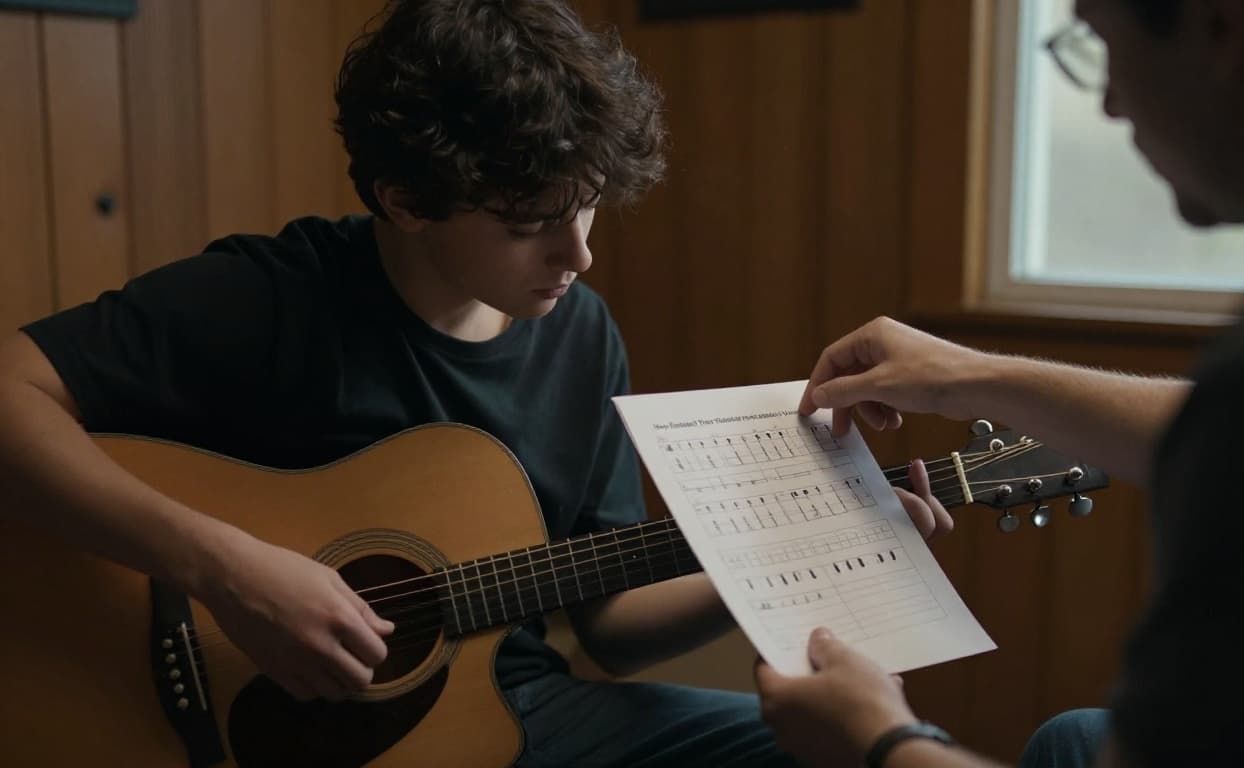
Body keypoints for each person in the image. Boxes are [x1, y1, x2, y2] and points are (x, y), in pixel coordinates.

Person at [0, 1, 808, 765]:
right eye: (528, 226)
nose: (579, 257)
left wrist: (777, 569)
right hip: (246, 729)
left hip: (509, 710)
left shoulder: (583, 335)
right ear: (407, 199)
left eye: (589, 207)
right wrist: (227, 572)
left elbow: (611, 631)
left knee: (822, 743)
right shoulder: (275, 296)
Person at [753, 0, 1244, 766]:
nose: (1109, 102)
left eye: (1101, 46)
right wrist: (970, 377)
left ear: (1222, 30)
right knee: (1070, 740)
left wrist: (876, 738)